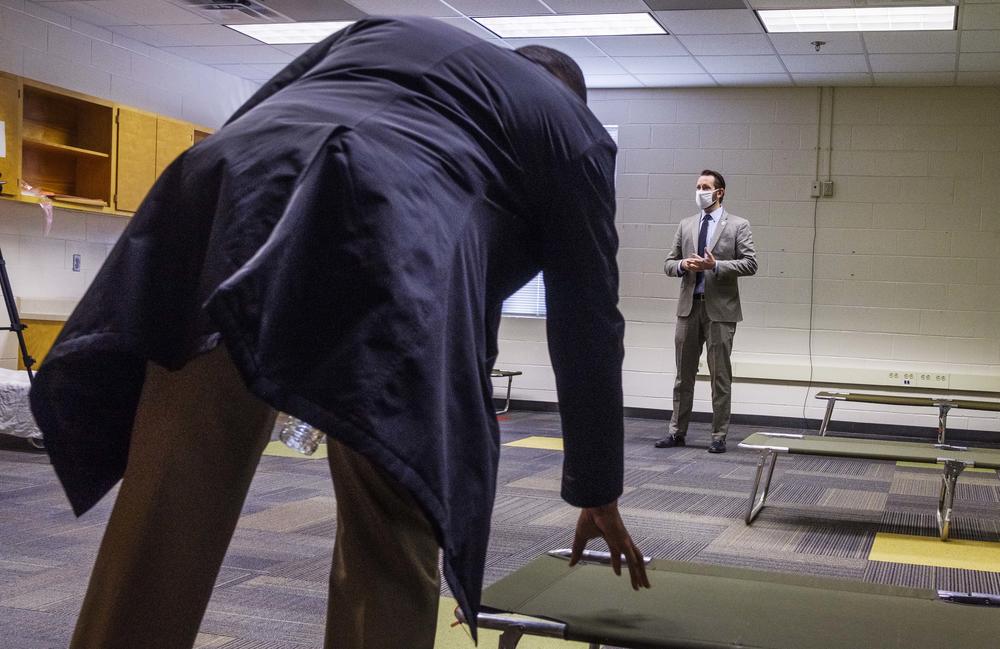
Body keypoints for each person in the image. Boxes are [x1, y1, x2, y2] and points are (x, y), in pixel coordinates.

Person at [28, 16, 649, 649]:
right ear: (575, 98)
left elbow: (256, 115)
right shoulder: (575, 134)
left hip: (234, 194)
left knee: (167, 498)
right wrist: (596, 488)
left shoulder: (389, 30)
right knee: (392, 523)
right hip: (388, 237)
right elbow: (588, 321)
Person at [655, 170, 757, 454]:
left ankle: (719, 435)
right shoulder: (686, 225)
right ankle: (677, 433)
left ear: (719, 192)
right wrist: (682, 266)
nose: (700, 191)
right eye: (698, 186)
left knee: (719, 377)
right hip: (688, 309)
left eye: (706, 187)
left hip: (720, 312)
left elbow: (750, 264)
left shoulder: (738, 225)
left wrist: (716, 266)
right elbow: (668, 263)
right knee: (682, 376)